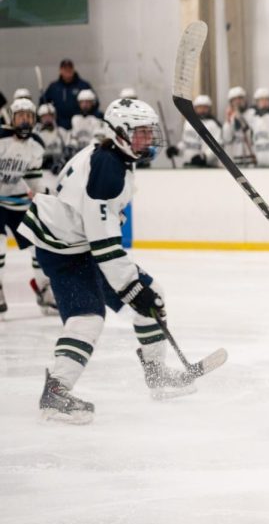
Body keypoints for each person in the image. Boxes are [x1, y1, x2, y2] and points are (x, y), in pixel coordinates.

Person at [19, 99, 197, 423]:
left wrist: (137, 291)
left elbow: (98, 229)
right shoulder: (108, 170)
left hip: (78, 242)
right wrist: (131, 288)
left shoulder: (113, 158)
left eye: (149, 132)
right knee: (88, 318)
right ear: (119, 133)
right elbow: (104, 245)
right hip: (62, 247)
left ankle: (157, 376)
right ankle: (55, 392)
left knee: (151, 292)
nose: (149, 140)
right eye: (141, 133)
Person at [0, 98, 44, 314]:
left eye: (28, 116)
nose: (25, 121)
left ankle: (43, 288)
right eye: (21, 116)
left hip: (17, 201)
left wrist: (40, 197)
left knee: (38, 244)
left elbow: (34, 179)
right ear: (12, 118)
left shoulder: (36, 145)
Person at [40, 59, 94, 131]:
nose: (68, 70)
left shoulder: (83, 85)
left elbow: (94, 103)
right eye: (65, 68)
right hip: (59, 126)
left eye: (70, 68)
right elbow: (43, 103)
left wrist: (87, 117)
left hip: (80, 125)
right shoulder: (54, 87)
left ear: (73, 69)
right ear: (60, 70)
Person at [170, 94, 221, 167]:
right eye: (200, 107)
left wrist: (204, 157)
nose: (202, 110)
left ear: (209, 109)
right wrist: (177, 150)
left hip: (206, 166)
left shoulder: (213, 125)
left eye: (205, 107)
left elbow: (216, 146)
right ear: (195, 108)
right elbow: (186, 142)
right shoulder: (188, 123)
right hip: (188, 164)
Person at [35, 103, 73, 176]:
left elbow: (70, 149)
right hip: (44, 172)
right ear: (40, 118)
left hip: (61, 170)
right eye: (44, 116)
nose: (47, 119)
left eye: (49, 116)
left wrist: (62, 161)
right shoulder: (37, 135)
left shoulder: (62, 132)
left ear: (54, 117)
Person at [222, 86, 255, 167]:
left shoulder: (253, 113)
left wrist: (240, 118)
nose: (237, 102)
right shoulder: (230, 118)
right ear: (231, 102)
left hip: (251, 160)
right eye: (234, 100)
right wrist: (228, 122)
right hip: (236, 161)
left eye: (240, 98)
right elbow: (227, 139)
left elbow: (251, 136)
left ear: (244, 100)